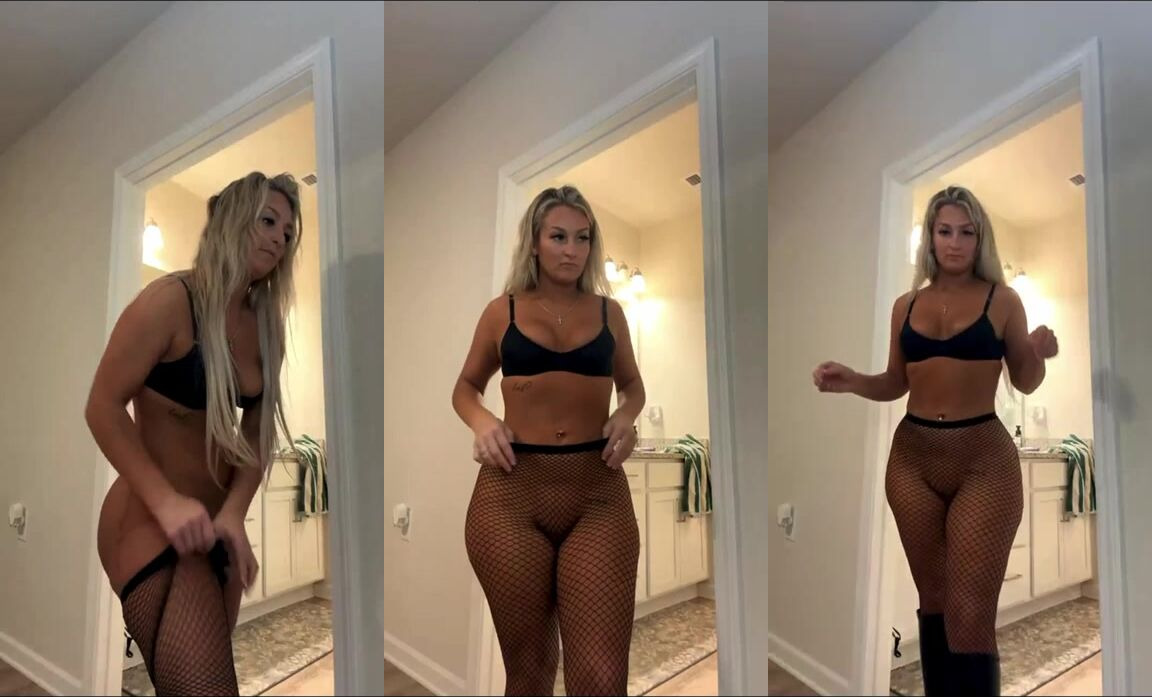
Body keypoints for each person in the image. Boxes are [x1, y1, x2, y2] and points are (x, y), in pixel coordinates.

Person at [813, 186, 1059, 696]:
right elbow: (896, 382)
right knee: (934, 600)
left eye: (966, 232)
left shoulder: (1003, 300)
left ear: (980, 239)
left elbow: (1026, 380)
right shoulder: (905, 306)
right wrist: (854, 380)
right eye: (945, 231)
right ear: (929, 237)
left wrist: (1037, 353)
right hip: (913, 459)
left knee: (969, 613)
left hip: (982, 460)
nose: (955, 242)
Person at [86, 172, 302, 695]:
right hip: (149, 521)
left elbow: (257, 428)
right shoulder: (168, 302)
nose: (279, 238)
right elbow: (102, 407)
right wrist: (166, 503)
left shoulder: (266, 325)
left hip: (213, 529)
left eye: (288, 232)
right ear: (232, 219)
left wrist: (234, 513)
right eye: (268, 221)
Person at [452, 185, 645, 696]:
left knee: (600, 680)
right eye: (559, 236)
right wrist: (482, 422)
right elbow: (465, 387)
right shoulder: (503, 311)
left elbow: (633, 386)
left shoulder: (610, 312)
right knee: (530, 672)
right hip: (510, 495)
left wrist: (626, 416)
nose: (571, 249)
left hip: (597, 493)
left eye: (583, 238)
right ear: (535, 242)